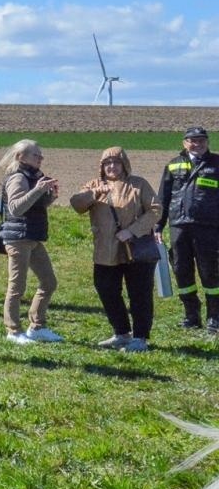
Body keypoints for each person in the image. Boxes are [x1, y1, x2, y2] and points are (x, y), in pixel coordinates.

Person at [71, 147, 161, 352]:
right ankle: (121, 332)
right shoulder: (94, 185)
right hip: (105, 250)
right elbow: (76, 204)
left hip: (135, 248)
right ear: (101, 166)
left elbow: (155, 209)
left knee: (140, 294)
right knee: (106, 289)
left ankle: (140, 337)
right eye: (107, 163)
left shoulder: (138, 184)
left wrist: (132, 231)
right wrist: (94, 194)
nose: (112, 166)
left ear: (125, 164)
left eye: (116, 162)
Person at [0, 140, 61, 344]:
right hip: (18, 239)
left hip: (32, 237)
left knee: (49, 282)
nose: (40, 158)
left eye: (41, 155)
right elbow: (16, 208)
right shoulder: (18, 177)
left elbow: (33, 206)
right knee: (17, 287)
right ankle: (13, 331)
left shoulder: (33, 176)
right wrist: (38, 190)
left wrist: (50, 197)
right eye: (35, 155)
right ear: (20, 157)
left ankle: (37, 326)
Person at [158, 126, 219, 332]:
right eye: (193, 140)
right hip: (179, 226)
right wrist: (157, 226)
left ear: (207, 142)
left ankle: (214, 317)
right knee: (181, 271)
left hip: (208, 227)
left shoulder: (216, 163)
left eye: (201, 140)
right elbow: (163, 198)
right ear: (185, 143)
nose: (197, 144)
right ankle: (191, 316)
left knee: (210, 272)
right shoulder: (173, 164)